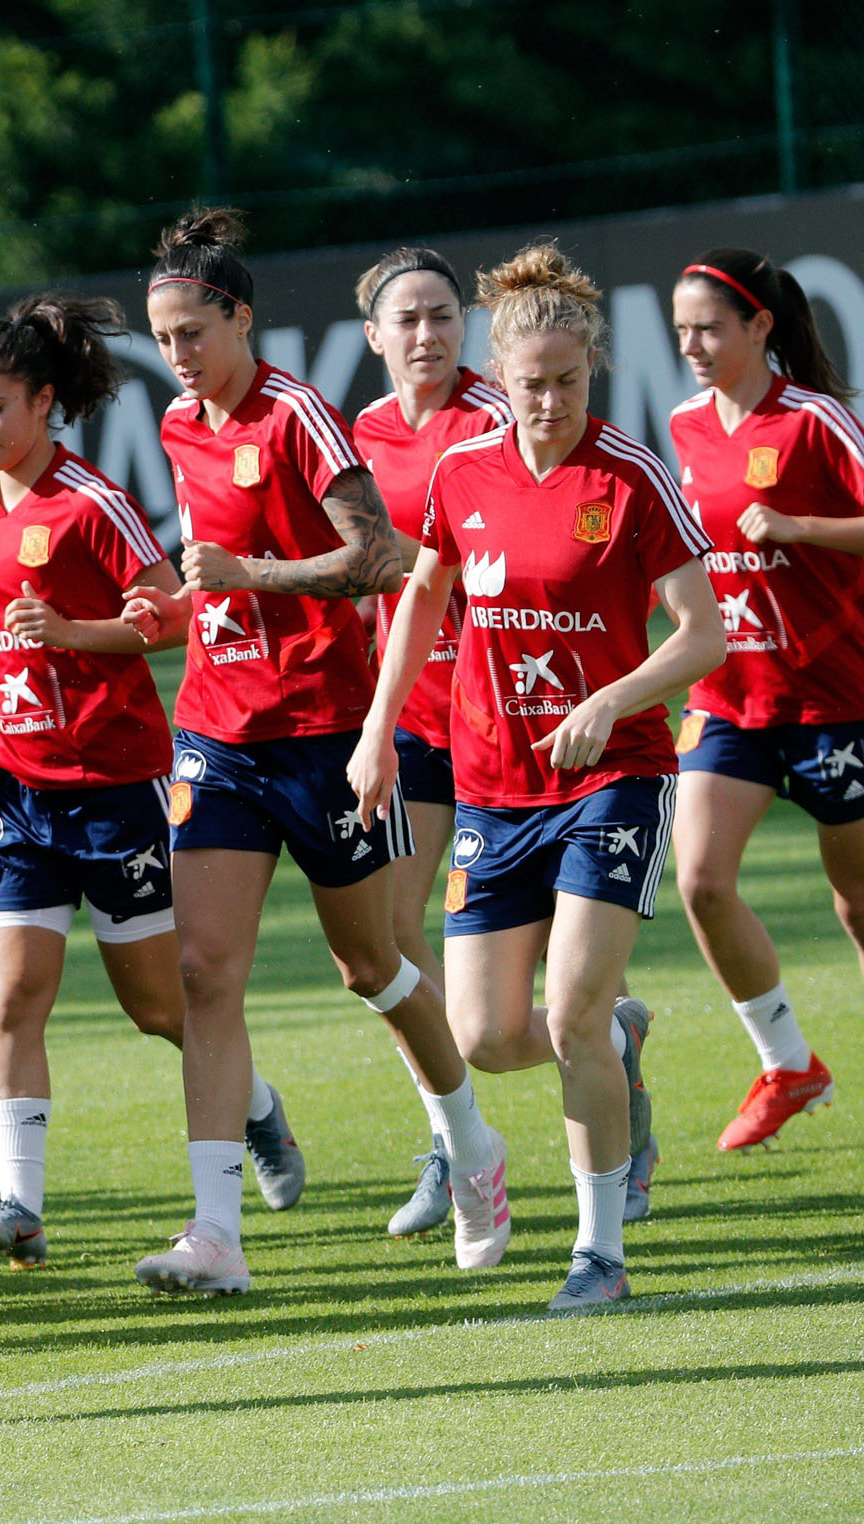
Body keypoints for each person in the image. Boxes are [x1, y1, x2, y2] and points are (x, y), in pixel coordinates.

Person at [121, 210, 506, 1297]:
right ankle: (214, 1233)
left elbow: (378, 560)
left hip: (324, 734)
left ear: (240, 318)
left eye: (193, 331)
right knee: (203, 974)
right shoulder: (180, 423)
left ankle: (472, 1146)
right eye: (162, 337)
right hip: (216, 731)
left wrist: (252, 577)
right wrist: (176, 589)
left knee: (372, 964)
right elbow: (211, 562)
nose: (178, 354)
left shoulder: (298, 415)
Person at [350, 243, 724, 1308]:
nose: (549, 401)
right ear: (501, 382)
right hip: (490, 783)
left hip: (616, 779)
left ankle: (598, 1254)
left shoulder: (631, 477)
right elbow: (423, 598)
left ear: (592, 372)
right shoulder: (465, 472)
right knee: (486, 1034)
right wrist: (379, 729)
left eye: (567, 382)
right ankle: (621, 1037)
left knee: (562, 1018)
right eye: (531, 385)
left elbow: (705, 636)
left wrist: (611, 700)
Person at [0, 294, 225, 1269]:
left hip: (113, 786)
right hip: (13, 789)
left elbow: (170, 617)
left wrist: (70, 635)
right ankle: (20, 1204)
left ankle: (253, 1108)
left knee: (159, 1007)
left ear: (43, 401)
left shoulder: (89, 502)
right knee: (14, 995)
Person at [667, 248, 864, 1149]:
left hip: (833, 702)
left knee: (860, 908)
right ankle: (788, 1066)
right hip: (728, 696)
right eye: (682, 331)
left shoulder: (816, 420)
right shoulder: (681, 426)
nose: (694, 345)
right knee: (702, 882)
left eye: (710, 327)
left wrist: (797, 526)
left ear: (759, 327)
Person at [348, 249, 519, 1236]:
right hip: (413, 715)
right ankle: (456, 1141)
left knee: (543, 935)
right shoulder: (359, 437)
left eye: (443, 314)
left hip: (509, 714)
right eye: (406, 319)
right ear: (374, 336)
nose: (428, 334)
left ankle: (613, 1064)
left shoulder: (501, 418)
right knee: (390, 933)